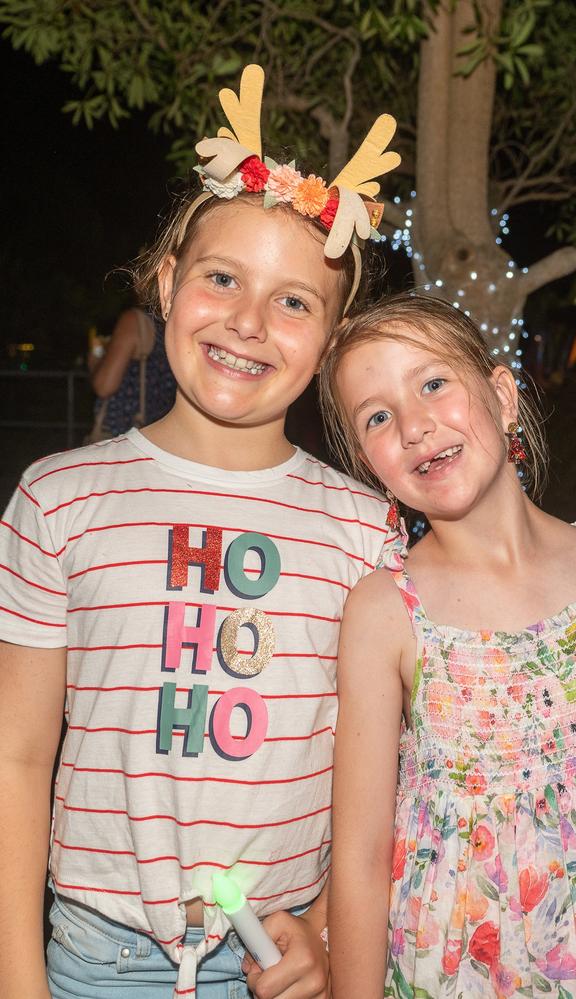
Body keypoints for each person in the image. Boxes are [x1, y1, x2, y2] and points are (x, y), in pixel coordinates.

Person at [0, 64, 400, 999]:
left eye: (295, 301)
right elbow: (17, 754)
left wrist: (333, 932)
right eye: (222, 278)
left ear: (332, 340)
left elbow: (385, 777)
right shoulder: (58, 500)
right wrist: (18, 977)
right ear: (167, 281)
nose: (250, 322)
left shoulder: (367, 531)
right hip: (101, 959)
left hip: (286, 960)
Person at [320, 293, 576, 998]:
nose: (413, 425)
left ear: (502, 395)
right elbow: (358, 856)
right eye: (377, 416)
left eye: (433, 383)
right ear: (366, 459)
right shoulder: (384, 612)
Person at [87, 305, 176, 438]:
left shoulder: (135, 322)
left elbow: (104, 386)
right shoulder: (176, 323)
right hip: (162, 434)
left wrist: (95, 362)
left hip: (124, 433)